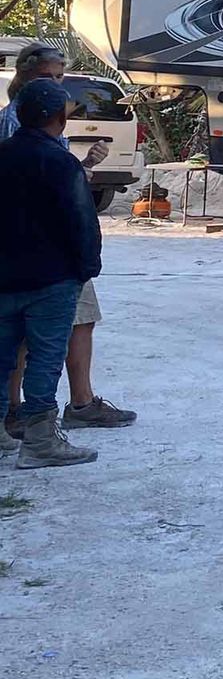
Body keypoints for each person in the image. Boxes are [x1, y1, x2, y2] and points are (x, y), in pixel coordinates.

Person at [1, 45, 130, 435]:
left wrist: (84, 165)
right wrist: (86, 265)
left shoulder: (24, 141)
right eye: (50, 77)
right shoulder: (22, 128)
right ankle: (30, 422)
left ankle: (68, 406)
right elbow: (73, 211)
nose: (58, 84)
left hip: (25, 262)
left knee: (39, 338)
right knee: (40, 349)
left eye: (60, 76)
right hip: (51, 265)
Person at [0, 78, 105, 467]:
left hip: (5, 277)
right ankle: (40, 440)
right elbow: (82, 221)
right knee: (45, 357)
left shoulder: (3, 154)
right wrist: (86, 268)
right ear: (60, 119)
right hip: (52, 278)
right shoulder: (61, 163)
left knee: (4, 356)